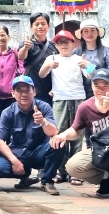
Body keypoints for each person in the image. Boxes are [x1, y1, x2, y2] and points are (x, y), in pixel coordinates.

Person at [50, 69, 109, 201]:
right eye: (97, 85)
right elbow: (76, 129)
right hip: (99, 150)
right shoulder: (86, 106)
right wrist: (63, 135)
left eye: (105, 85)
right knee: (72, 166)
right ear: (92, 86)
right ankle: (106, 177)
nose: (101, 89)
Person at [0, 75, 62, 195]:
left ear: (34, 92)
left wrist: (43, 122)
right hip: (18, 152)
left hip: (39, 152)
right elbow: (0, 141)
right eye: (19, 90)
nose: (24, 94)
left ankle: (47, 181)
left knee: (59, 142)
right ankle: (24, 175)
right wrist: (14, 161)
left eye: (27, 90)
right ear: (13, 93)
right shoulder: (7, 112)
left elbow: (53, 132)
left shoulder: (44, 107)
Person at [38, 29, 90, 185]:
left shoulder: (78, 59)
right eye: (60, 42)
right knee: (59, 134)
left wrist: (87, 65)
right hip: (59, 100)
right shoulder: (52, 58)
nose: (64, 45)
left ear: (73, 44)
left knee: (77, 134)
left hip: (78, 99)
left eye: (67, 42)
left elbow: (91, 75)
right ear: (56, 45)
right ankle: (61, 170)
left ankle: (75, 172)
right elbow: (41, 74)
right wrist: (48, 65)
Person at [74, 19, 109, 97]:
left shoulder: (107, 51)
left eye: (92, 30)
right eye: (86, 31)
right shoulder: (75, 53)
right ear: (81, 34)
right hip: (82, 95)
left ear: (98, 33)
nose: (89, 33)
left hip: (103, 92)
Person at [0, 25, 23, 133]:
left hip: (12, 97)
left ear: (8, 36)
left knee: (13, 125)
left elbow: (22, 70)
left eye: (3, 35)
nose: (0, 38)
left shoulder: (15, 53)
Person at [22, 12, 57, 106]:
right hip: (32, 92)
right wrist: (25, 48)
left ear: (48, 26)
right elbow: (21, 57)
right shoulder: (27, 44)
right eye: (37, 24)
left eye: (43, 24)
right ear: (31, 27)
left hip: (50, 92)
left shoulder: (54, 46)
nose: (40, 26)